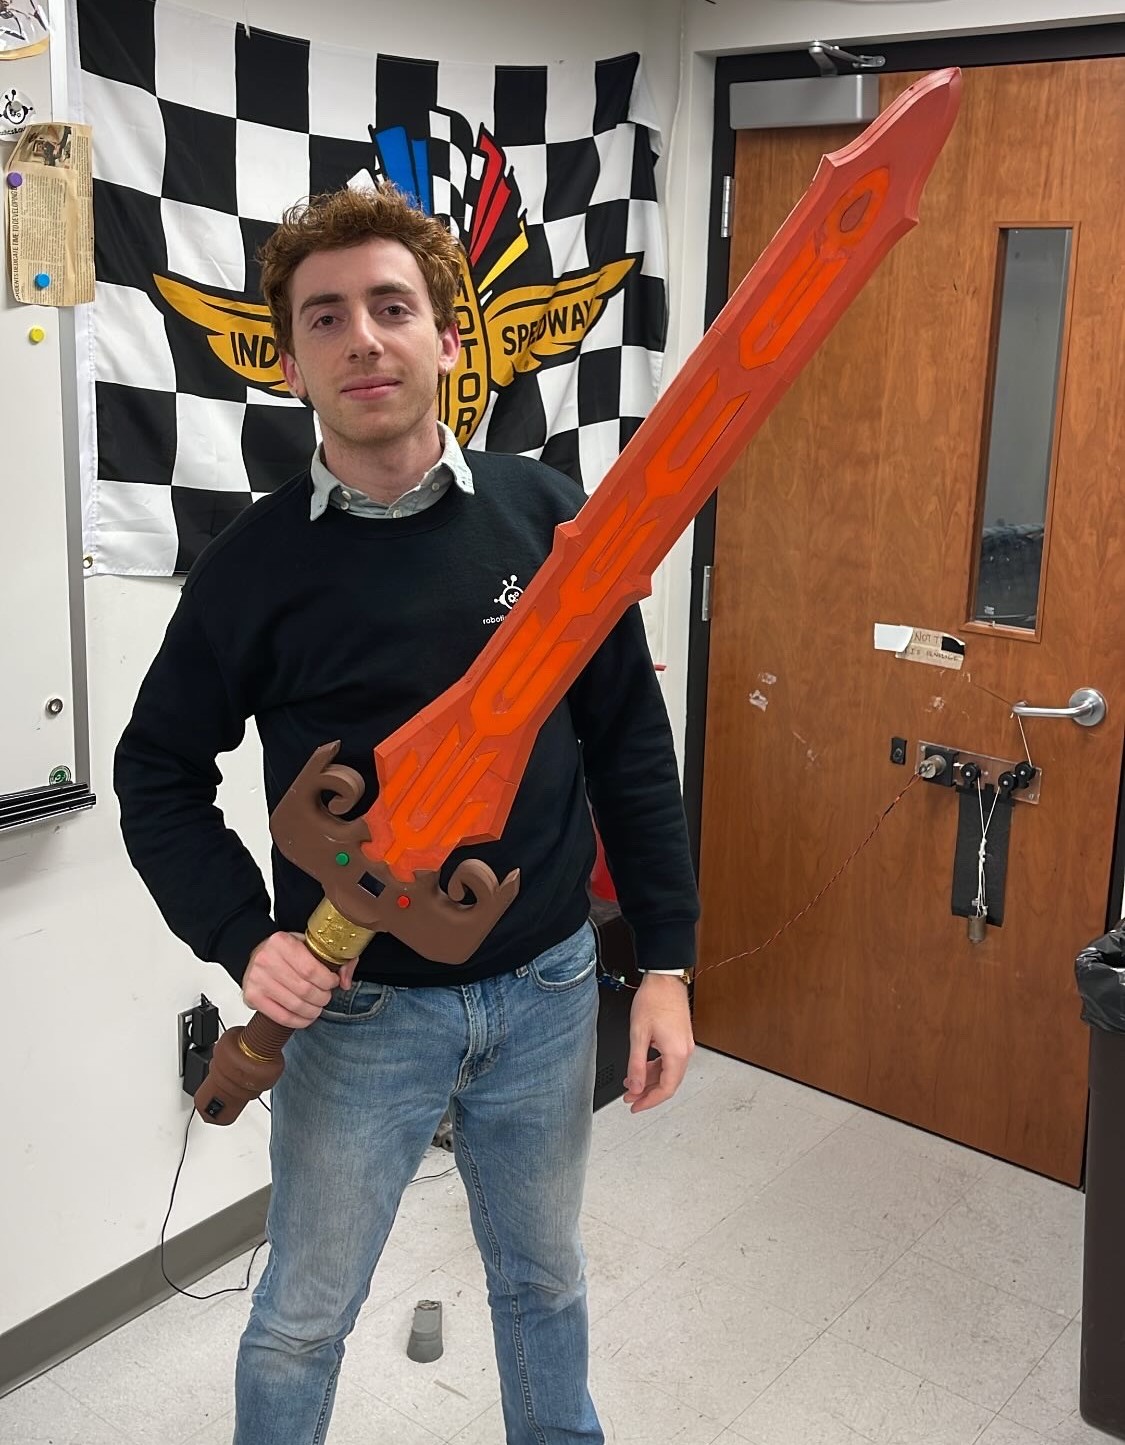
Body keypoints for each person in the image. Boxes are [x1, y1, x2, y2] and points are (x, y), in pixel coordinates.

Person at [114, 183, 700, 1445]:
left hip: (548, 988)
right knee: (301, 1316)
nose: (363, 339)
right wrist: (244, 937)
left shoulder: (548, 519)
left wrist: (665, 962)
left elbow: (627, 746)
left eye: (392, 307)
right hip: (354, 1014)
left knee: (545, 1281)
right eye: (325, 318)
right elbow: (156, 771)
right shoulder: (253, 566)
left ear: (447, 337)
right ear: (289, 362)